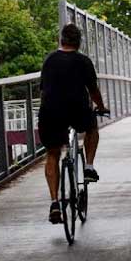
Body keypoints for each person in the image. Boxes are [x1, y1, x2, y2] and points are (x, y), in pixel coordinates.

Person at [38, 23, 107, 224]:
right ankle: (89, 166)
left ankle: (54, 203)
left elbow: (43, 91)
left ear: (61, 41)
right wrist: (101, 107)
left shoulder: (49, 60)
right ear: (78, 43)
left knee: (52, 153)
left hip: (51, 113)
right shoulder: (84, 61)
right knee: (92, 128)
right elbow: (93, 90)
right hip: (78, 110)